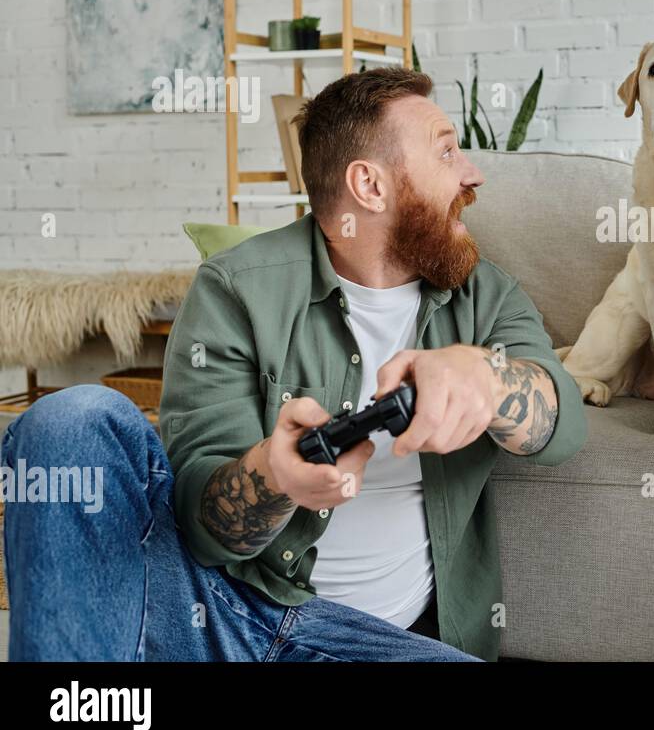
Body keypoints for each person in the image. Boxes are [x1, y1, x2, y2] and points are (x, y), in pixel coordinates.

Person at [2, 67, 587, 661]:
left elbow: (561, 430)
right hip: (215, 610)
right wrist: (277, 478)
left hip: (366, 645)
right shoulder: (236, 288)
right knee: (69, 420)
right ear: (370, 185)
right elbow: (204, 524)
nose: (473, 173)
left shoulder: (486, 297)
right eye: (446, 152)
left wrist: (486, 377)